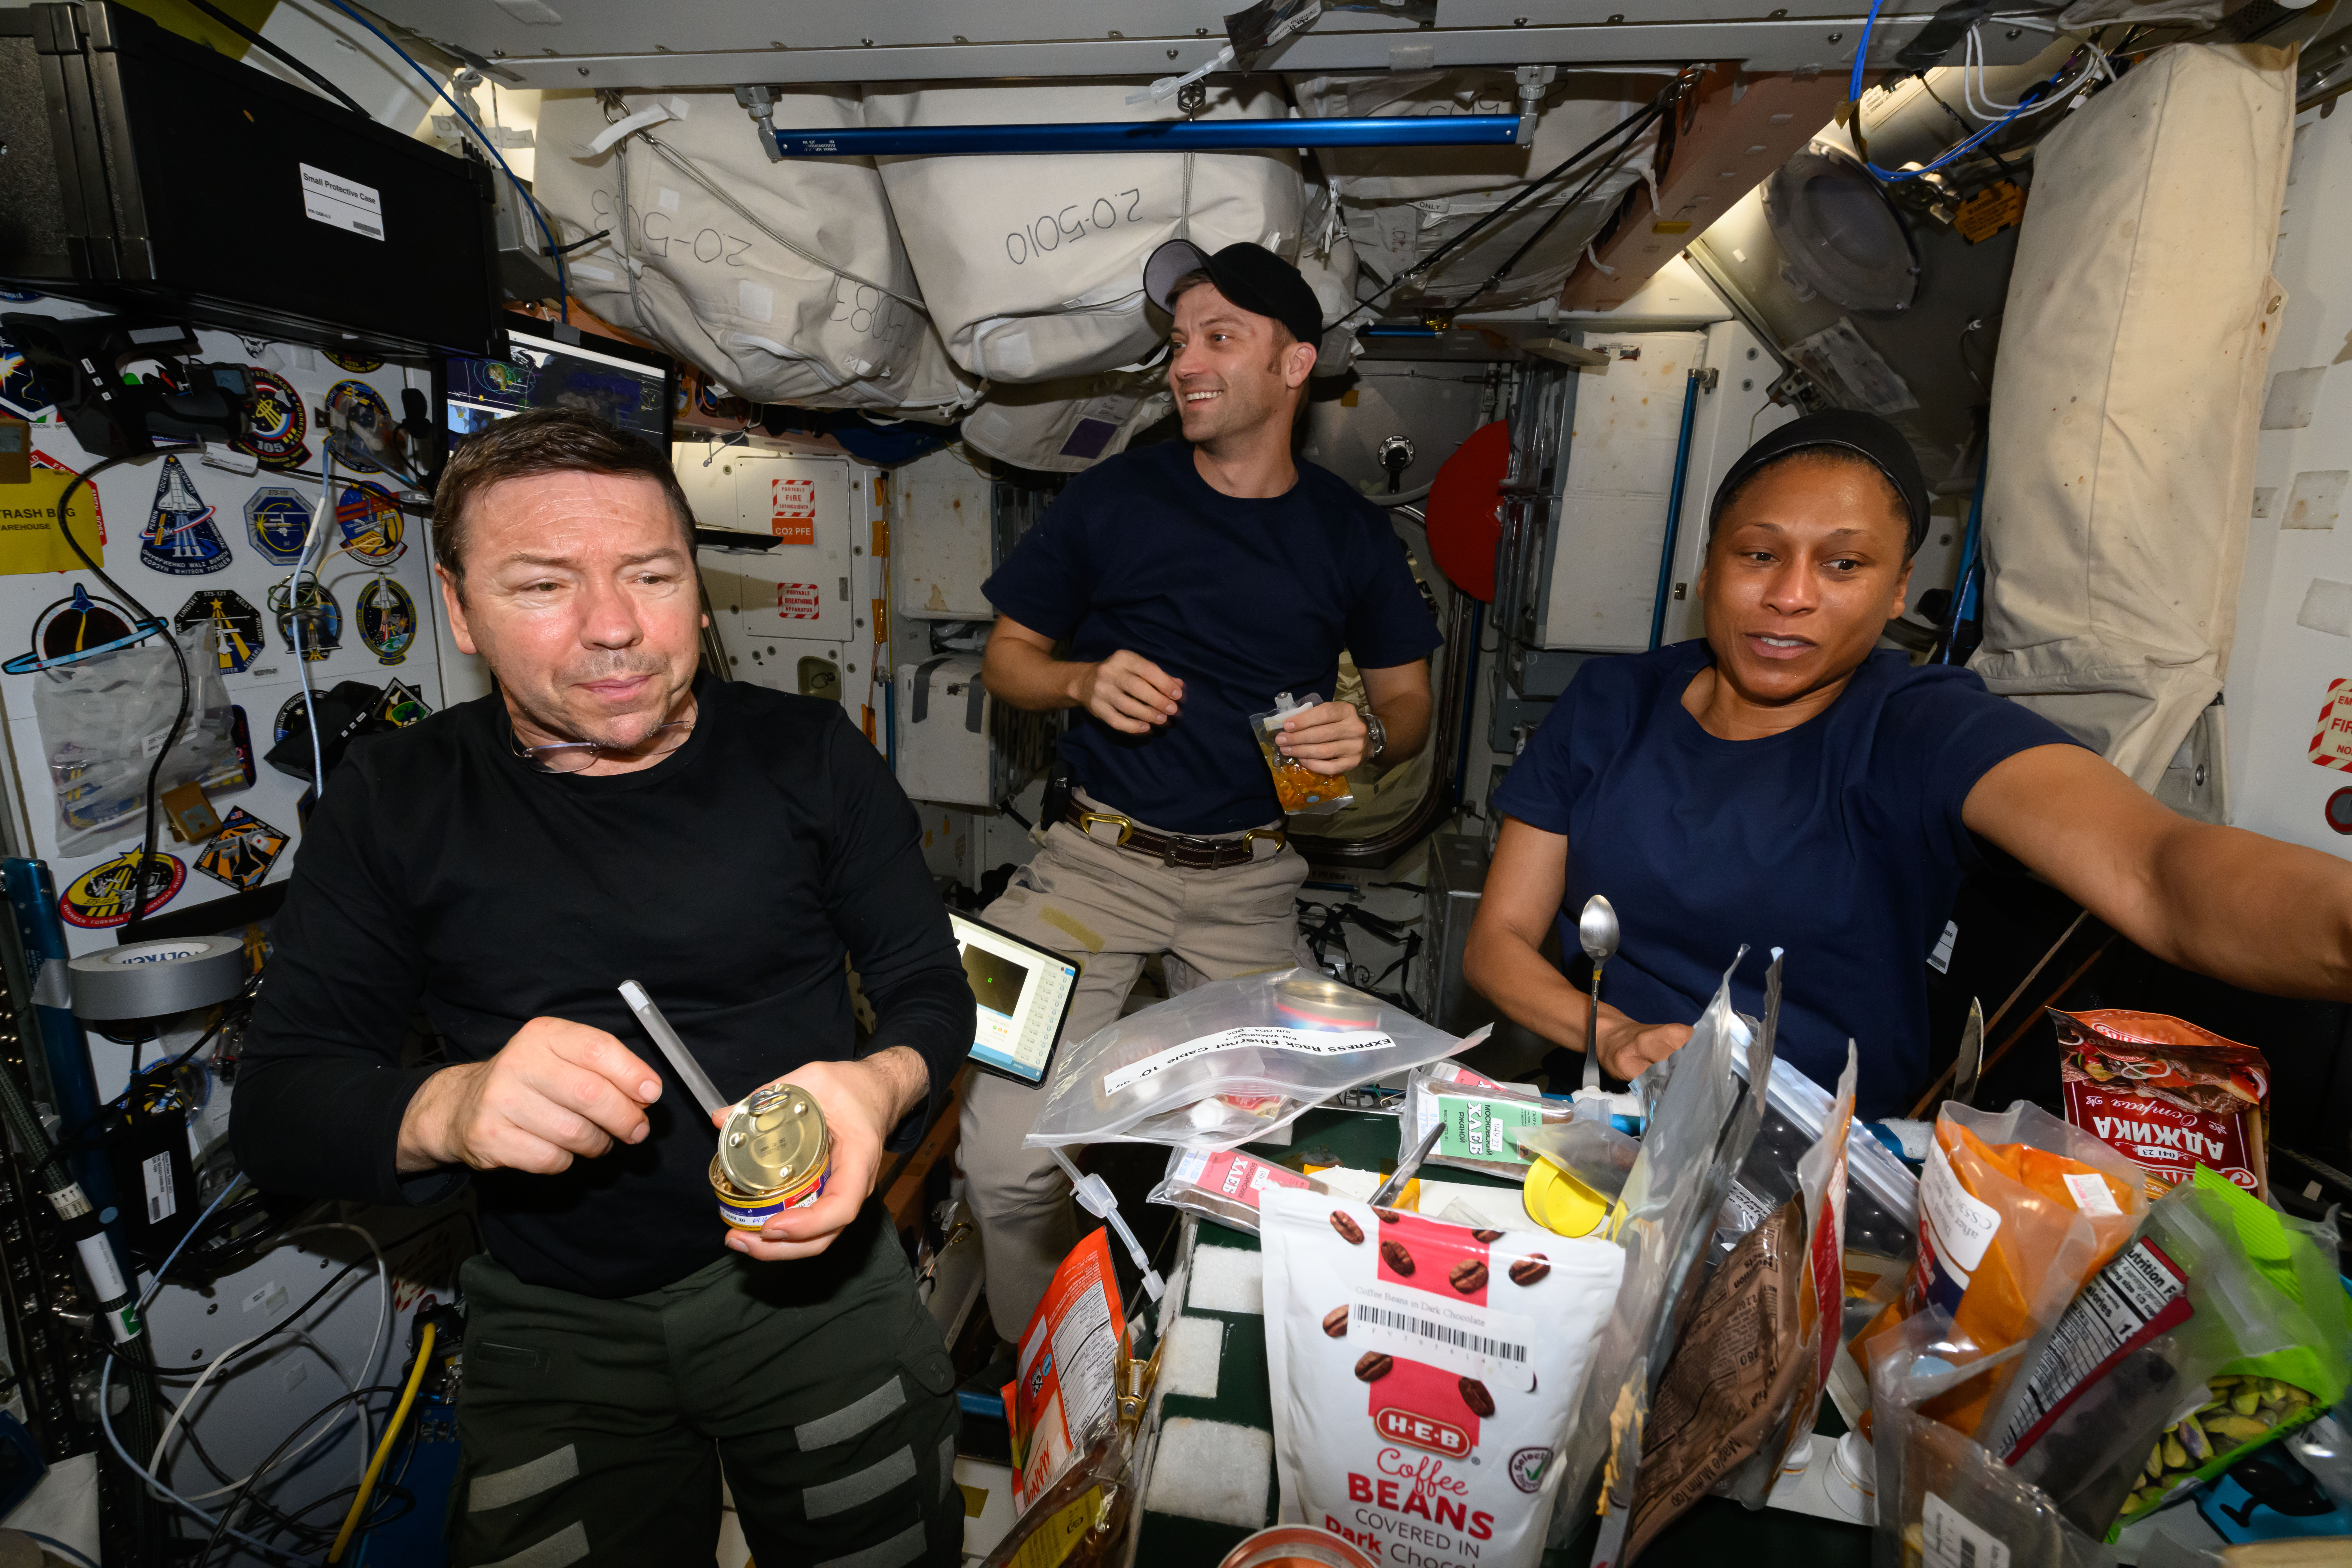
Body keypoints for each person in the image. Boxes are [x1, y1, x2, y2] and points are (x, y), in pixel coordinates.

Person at [230, 410, 972, 1568]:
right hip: (553, 1321)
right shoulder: (395, 799)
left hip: (819, 1298)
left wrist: (878, 1086)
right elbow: (278, 1111)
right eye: (543, 585)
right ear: (460, 607)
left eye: (651, 574)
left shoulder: (811, 752)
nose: (617, 627)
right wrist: (454, 1108)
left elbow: (932, 988)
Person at [1464, 410, 2352, 1118]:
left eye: (1843, 564)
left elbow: (2156, 868)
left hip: (1819, 1155)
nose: (1792, 595)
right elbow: (1499, 941)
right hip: (1606, 1105)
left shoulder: (1919, 730)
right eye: (1759, 555)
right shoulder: (1613, 703)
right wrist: (1616, 1035)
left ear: (1896, 590)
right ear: (1710, 568)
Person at [965, 240, 1443, 1336]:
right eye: (1179, 343)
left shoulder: (1348, 535)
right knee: (999, 1158)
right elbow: (1008, 661)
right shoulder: (1110, 501)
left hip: (1249, 887)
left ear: (1295, 365)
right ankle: (1047, 1386)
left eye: (1219, 338)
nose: (1186, 363)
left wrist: (1366, 733)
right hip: (1084, 867)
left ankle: (1190, 1364)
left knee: (1267, 1170)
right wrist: (1080, 678)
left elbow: (1411, 707)